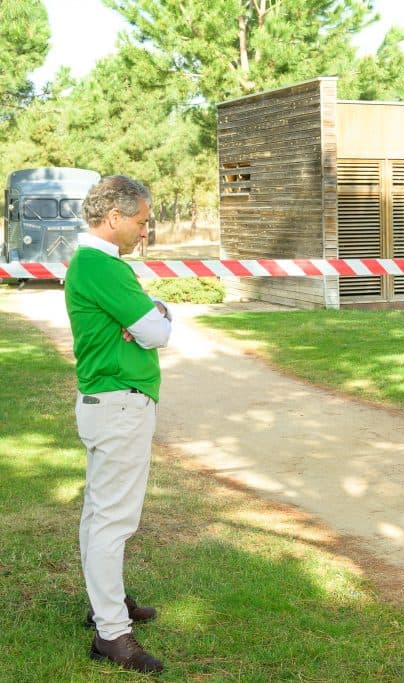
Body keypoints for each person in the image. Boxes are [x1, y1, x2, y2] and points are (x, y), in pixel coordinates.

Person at [65, 175, 171, 674]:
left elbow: (151, 326)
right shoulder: (103, 266)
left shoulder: (93, 264)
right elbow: (156, 331)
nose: (143, 231)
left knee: (98, 515)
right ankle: (111, 632)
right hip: (119, 405)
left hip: (106, 404)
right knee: (113, 521)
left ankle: (105, 604)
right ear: (114, 218)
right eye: (141, 221)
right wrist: (155, 319)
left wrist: (153, 318)